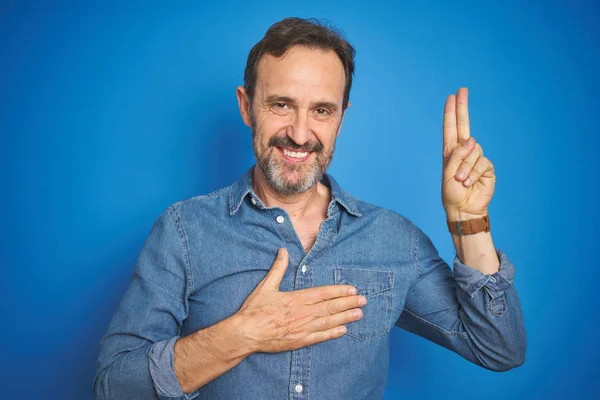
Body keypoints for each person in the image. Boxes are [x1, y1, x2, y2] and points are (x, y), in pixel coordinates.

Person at [94, 17, 526, 400]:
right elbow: (115, 386)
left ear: (341, 117)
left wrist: (469, 221)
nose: (300, 134)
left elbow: (498, 349)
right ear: (247, 107)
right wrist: (241, 335)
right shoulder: (183, 231)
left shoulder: (394, 239)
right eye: (281, 105)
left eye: (321, 110)